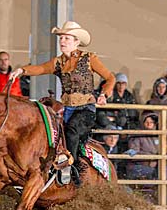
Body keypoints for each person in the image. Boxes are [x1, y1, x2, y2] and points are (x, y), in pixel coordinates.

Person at [9, 21, 115, 186]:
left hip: (86, 110)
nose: (63, 41)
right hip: (67, 110)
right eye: (61, 38)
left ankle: (71, 169)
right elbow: (41, 69)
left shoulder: (89, 59)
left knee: (72, 130)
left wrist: (104, 94)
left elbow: (110, 78)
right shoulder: (58, 62)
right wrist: (22, 70)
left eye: (67, 38)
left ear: (76, 42)